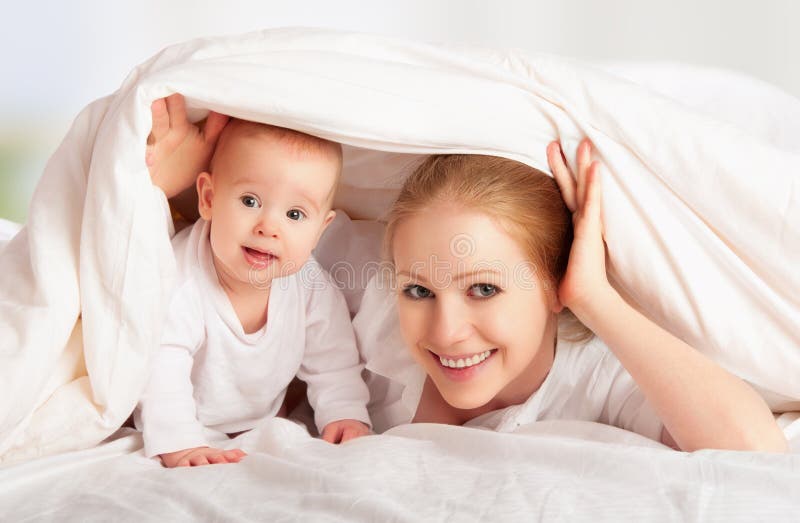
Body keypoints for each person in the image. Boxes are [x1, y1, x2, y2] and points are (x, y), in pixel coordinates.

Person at [355, 145, 787, 452]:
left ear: (554, 283)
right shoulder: (370, 312)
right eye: (418, 290)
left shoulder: (595, 378)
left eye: (484, 289)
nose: (445, 332)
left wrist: (593, 296)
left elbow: (756, 448)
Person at [140, 95, 371, 468]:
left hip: (259, 418)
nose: (269, 227)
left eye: (295, 214)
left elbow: (334, 362)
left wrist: (345, 414)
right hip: (192, 420)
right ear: (209, 198)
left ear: (319, 230)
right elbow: (159, 367)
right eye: (250, 201)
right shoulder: (181, 280)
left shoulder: (309, 286)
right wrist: (182, 442)